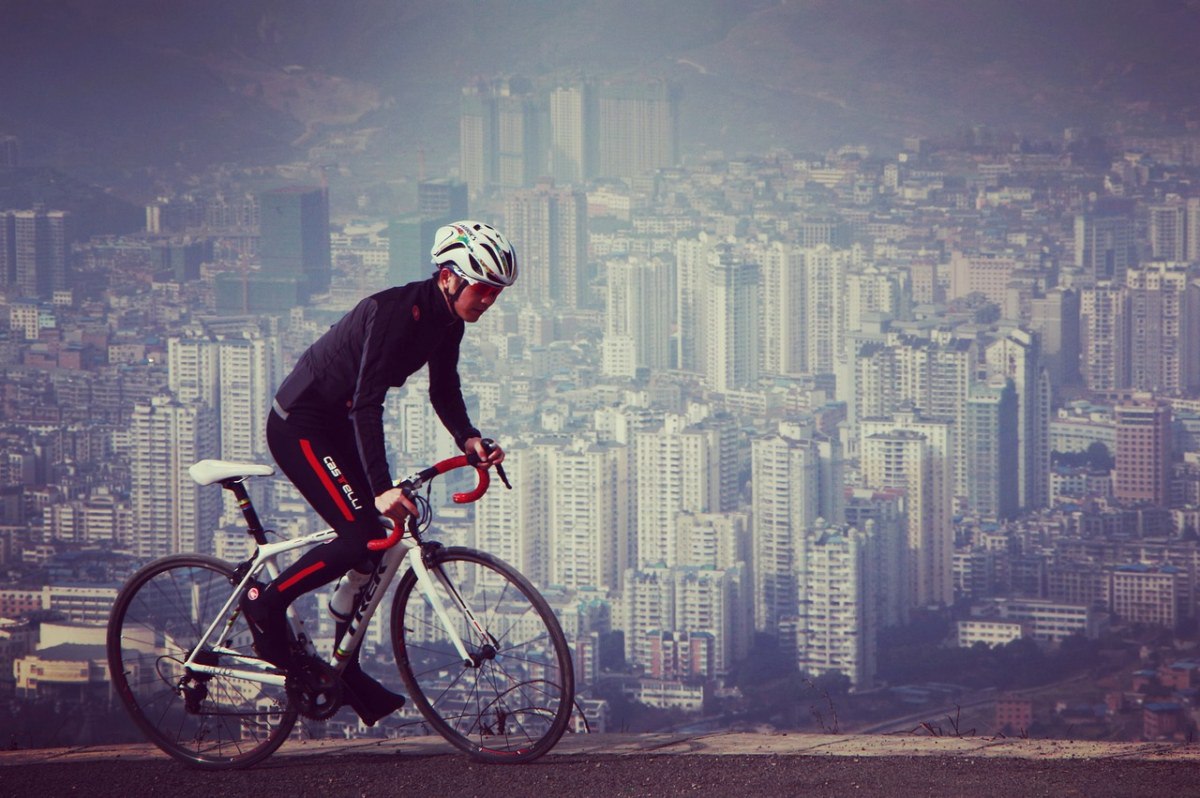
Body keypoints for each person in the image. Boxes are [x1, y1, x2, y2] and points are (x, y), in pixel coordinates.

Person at [243, 220, 515, 726]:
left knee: (383, 537)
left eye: (495, 294)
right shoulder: (395, 313)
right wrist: (382, 488)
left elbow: (443, 389)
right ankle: (265, 600)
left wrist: (468, 438)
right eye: (482, 289)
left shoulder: (447, 322)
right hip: (301, 422)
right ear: (450, 276)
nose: (487, 302)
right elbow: (367, 406)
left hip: (338, 420)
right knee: (362, 534)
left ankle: (342, 661)